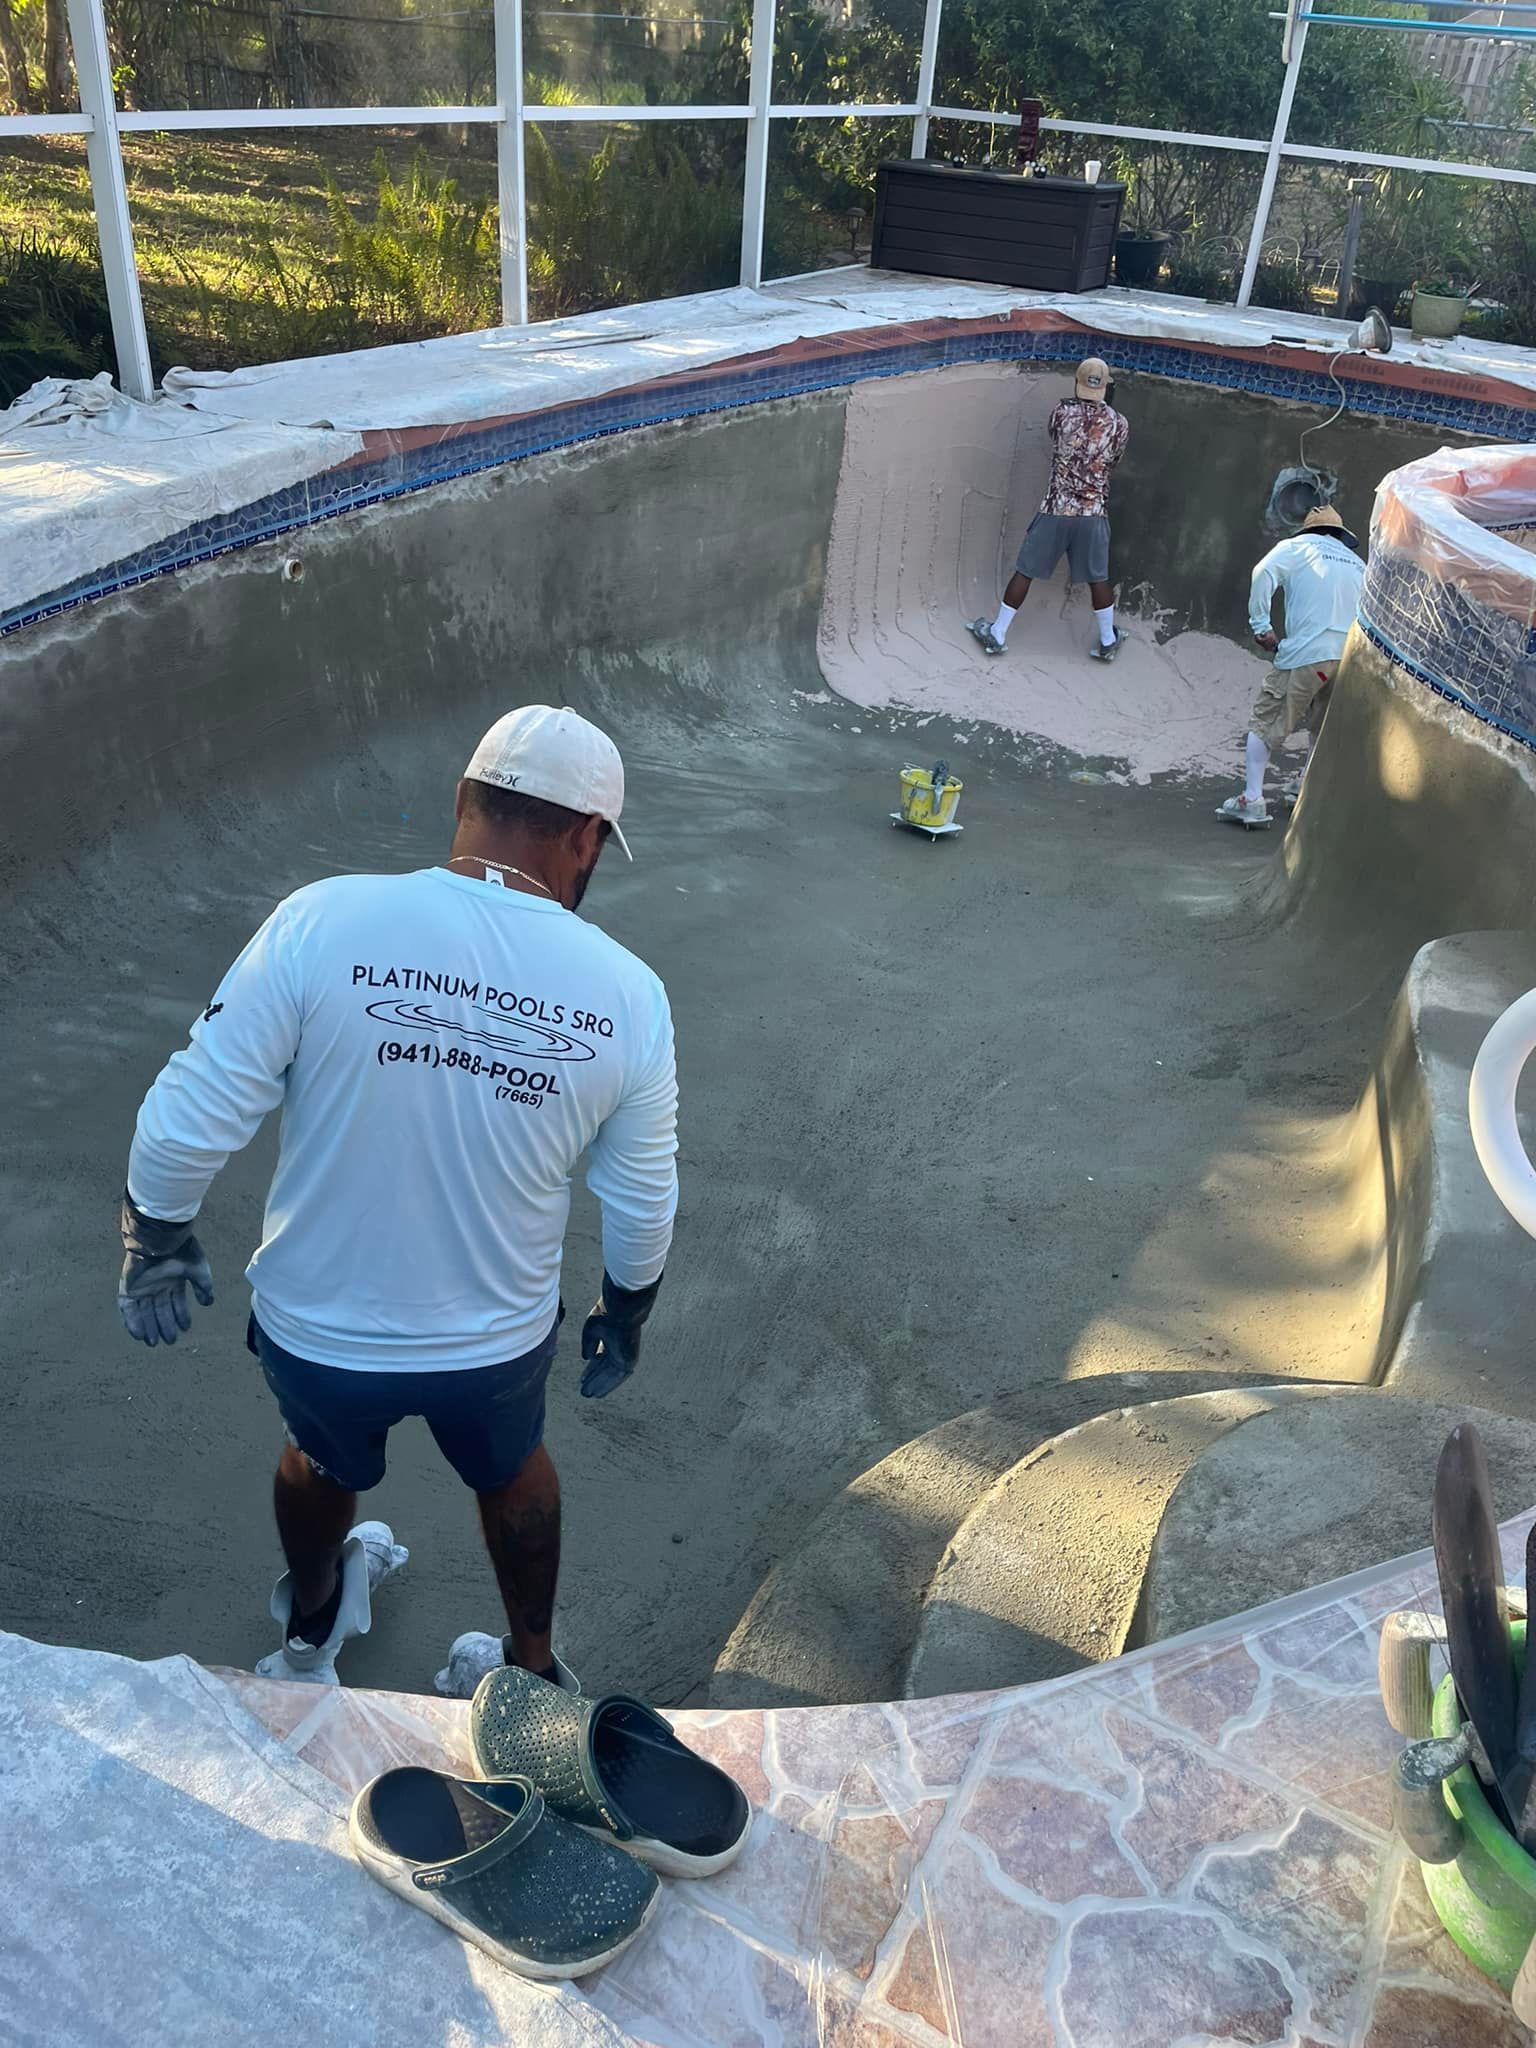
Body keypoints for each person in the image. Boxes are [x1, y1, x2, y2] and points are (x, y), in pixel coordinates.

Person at [117, 704, 678, 1696]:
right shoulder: (629, 993)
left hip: (318, 1333)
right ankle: (533, 1675)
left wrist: (155, 1236)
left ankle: (312, 1631)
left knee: (320, 1461)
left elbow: (181, 1119)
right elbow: (641, 1196)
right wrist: (623, 1309)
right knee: (513, 1470)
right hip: (493, 1343)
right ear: (590, 837)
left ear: (463, 800)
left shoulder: (324, 918)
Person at [968, 356, 1130, 663]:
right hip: (1093, 513)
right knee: (1099, 578)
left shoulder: (1061, 411)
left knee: (1025, 571)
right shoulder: (1119, 423)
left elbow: (1055, 439)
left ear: (1077, 383)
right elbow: (1115, 458)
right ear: (1107, 388)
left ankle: (998, 632)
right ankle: (1108, 639)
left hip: (1056, 508)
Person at [1217, 503, 1366, 828]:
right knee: (1322, 728)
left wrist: (1261, 626)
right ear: (1340, 535)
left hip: (1306, 652)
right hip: (1350, 657)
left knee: (1266, 721)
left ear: (1309, 529)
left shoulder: (1297, 547)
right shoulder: (1357, 563)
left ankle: (1253, 800)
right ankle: (1306, 790)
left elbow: (1263, 572)